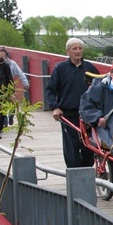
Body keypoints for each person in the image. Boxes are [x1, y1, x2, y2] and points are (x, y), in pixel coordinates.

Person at [45, 38, 99, 168]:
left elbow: (100, 86)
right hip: (68, 115)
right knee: (71, 148)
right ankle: (74, 176)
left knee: (88, 148)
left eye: (80, 48)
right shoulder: (61, 68)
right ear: (68, 51)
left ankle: (85, 174)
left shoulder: (89, 68)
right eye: (74, 48)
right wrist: (55, 107)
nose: (78, 51)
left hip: (87, 115)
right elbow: (50, 90)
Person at [0, 47, 29, 126]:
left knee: (11, 103)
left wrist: (25, 83)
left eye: (3, 56)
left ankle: (11, 116)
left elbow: (20, 73)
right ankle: (4, 120)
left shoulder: (12, 63)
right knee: (2, 104)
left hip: (9, 86)